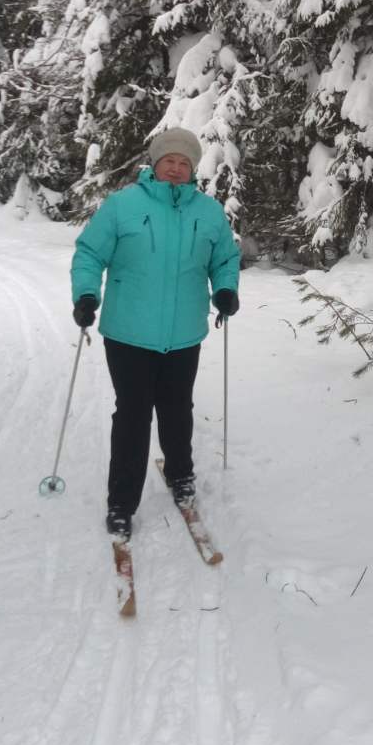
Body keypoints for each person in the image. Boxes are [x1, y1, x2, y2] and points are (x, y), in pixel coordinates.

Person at [70, 127, 241, 540]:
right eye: (170, 161)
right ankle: (121, 502)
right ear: (155, 162)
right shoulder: (122, 205)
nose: (177, 169)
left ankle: (181, 475)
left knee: (177, 409)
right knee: (132, 414)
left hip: (183, 334)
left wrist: (225, 289)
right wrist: (87, 294)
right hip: (128, 333)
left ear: (192, 168)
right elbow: (90, 253)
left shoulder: (209, 212)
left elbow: (225, 257)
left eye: (185, 163)